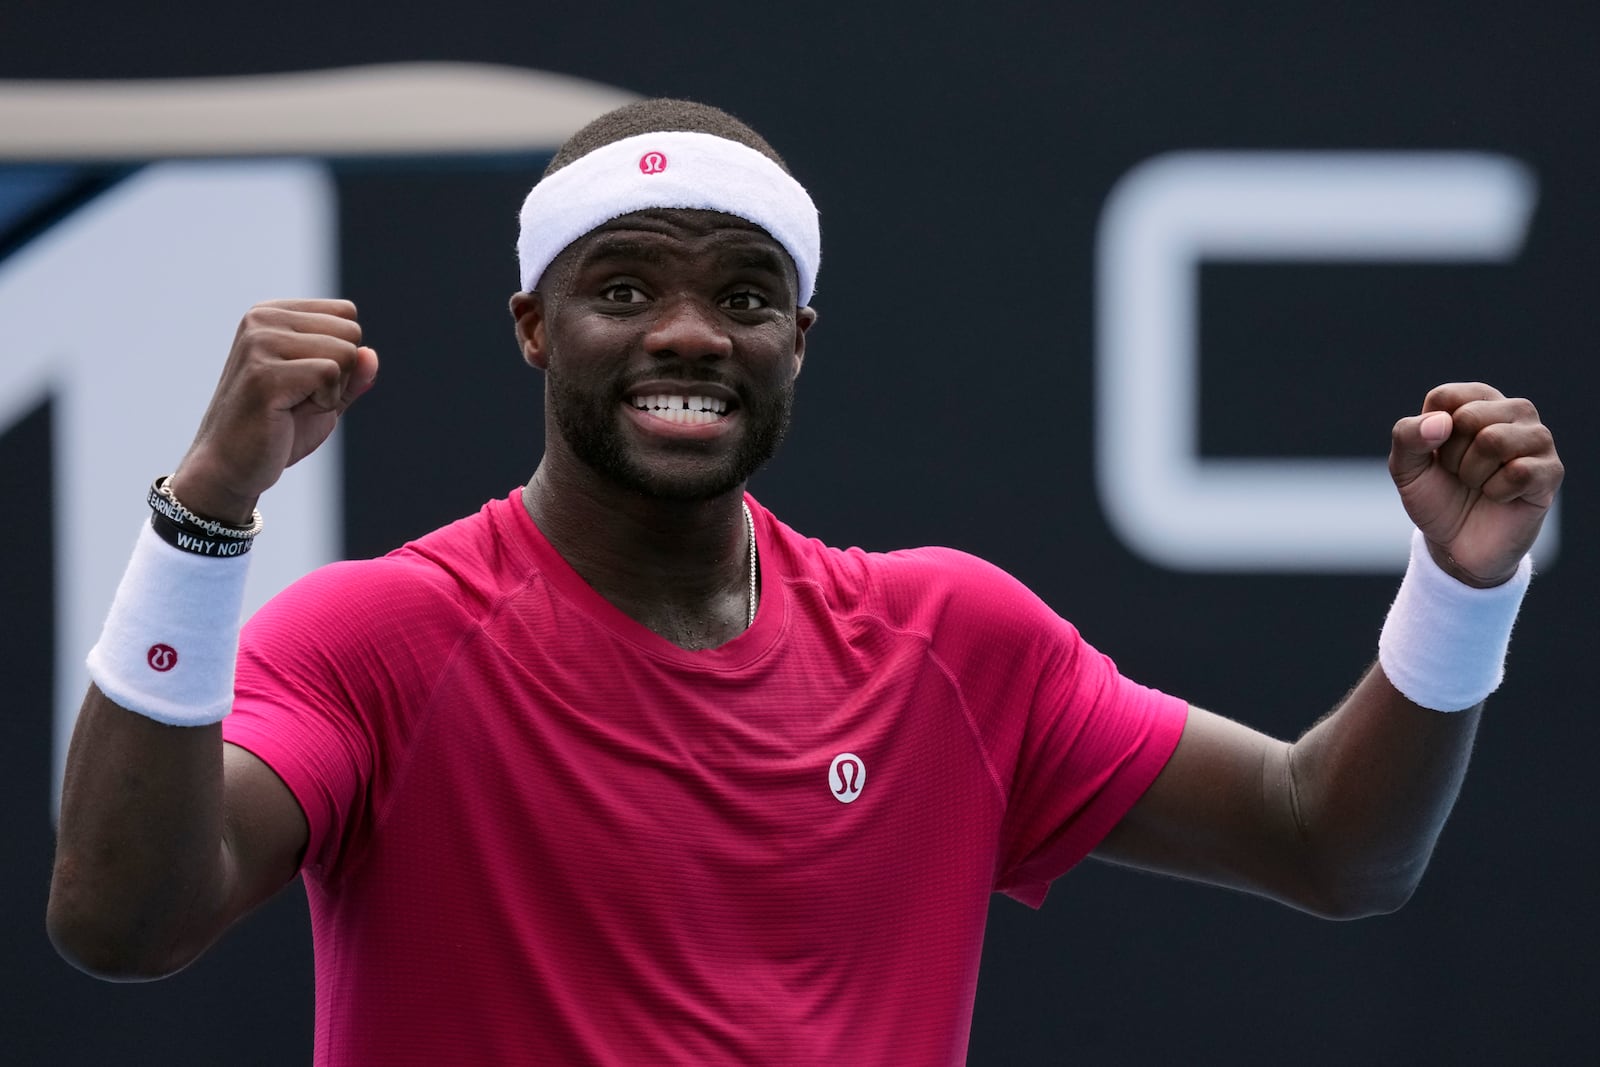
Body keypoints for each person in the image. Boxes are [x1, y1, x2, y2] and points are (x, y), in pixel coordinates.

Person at [47, 99, 1563, 1065]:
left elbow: (1334, 847)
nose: (691, 334)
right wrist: (205, 515)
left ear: (800, 340)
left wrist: (1461, 590)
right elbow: (122, 923)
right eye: (626, 288)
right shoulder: (379, 637)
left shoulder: (955, 644)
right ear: (531, 327)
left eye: (745, 296)